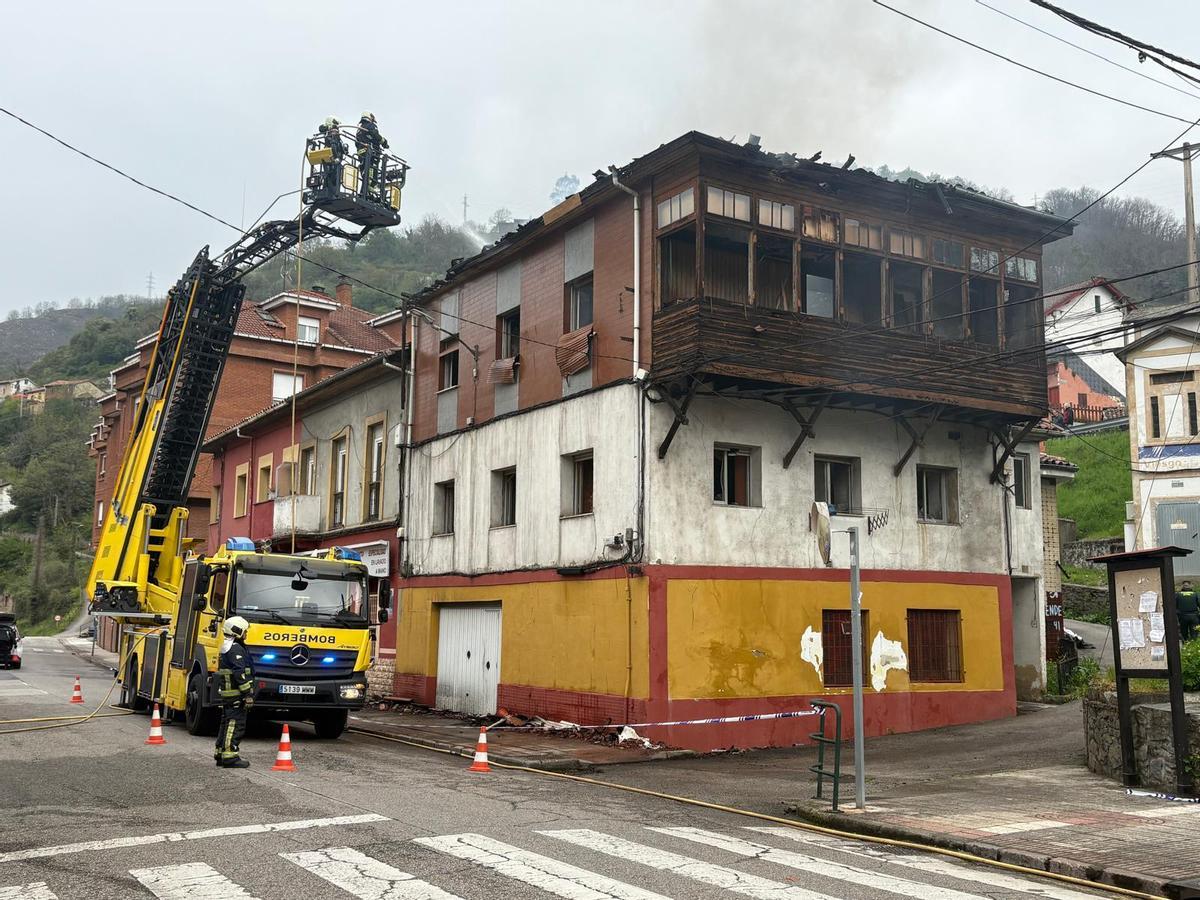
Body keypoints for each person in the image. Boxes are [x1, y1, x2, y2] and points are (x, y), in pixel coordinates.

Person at [214, 615, 254, 768]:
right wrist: (247, 694)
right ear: (237, 631)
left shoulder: (227, 646)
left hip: (228, 693)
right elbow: (239, 672)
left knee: (226, 723)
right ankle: (230, 756)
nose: (246, 634)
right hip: (236, 694)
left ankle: (220, 753)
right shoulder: (236, 649)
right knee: (235, 724)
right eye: (245, 631)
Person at [355, 112, 388, 198]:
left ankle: (364, 191)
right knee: (372, 170)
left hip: (361, 153)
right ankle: (370, 187)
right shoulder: (371, 125)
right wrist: (384, 142)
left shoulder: (360, 128)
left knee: (365, 172)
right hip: (371, 153)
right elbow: (376, 135)